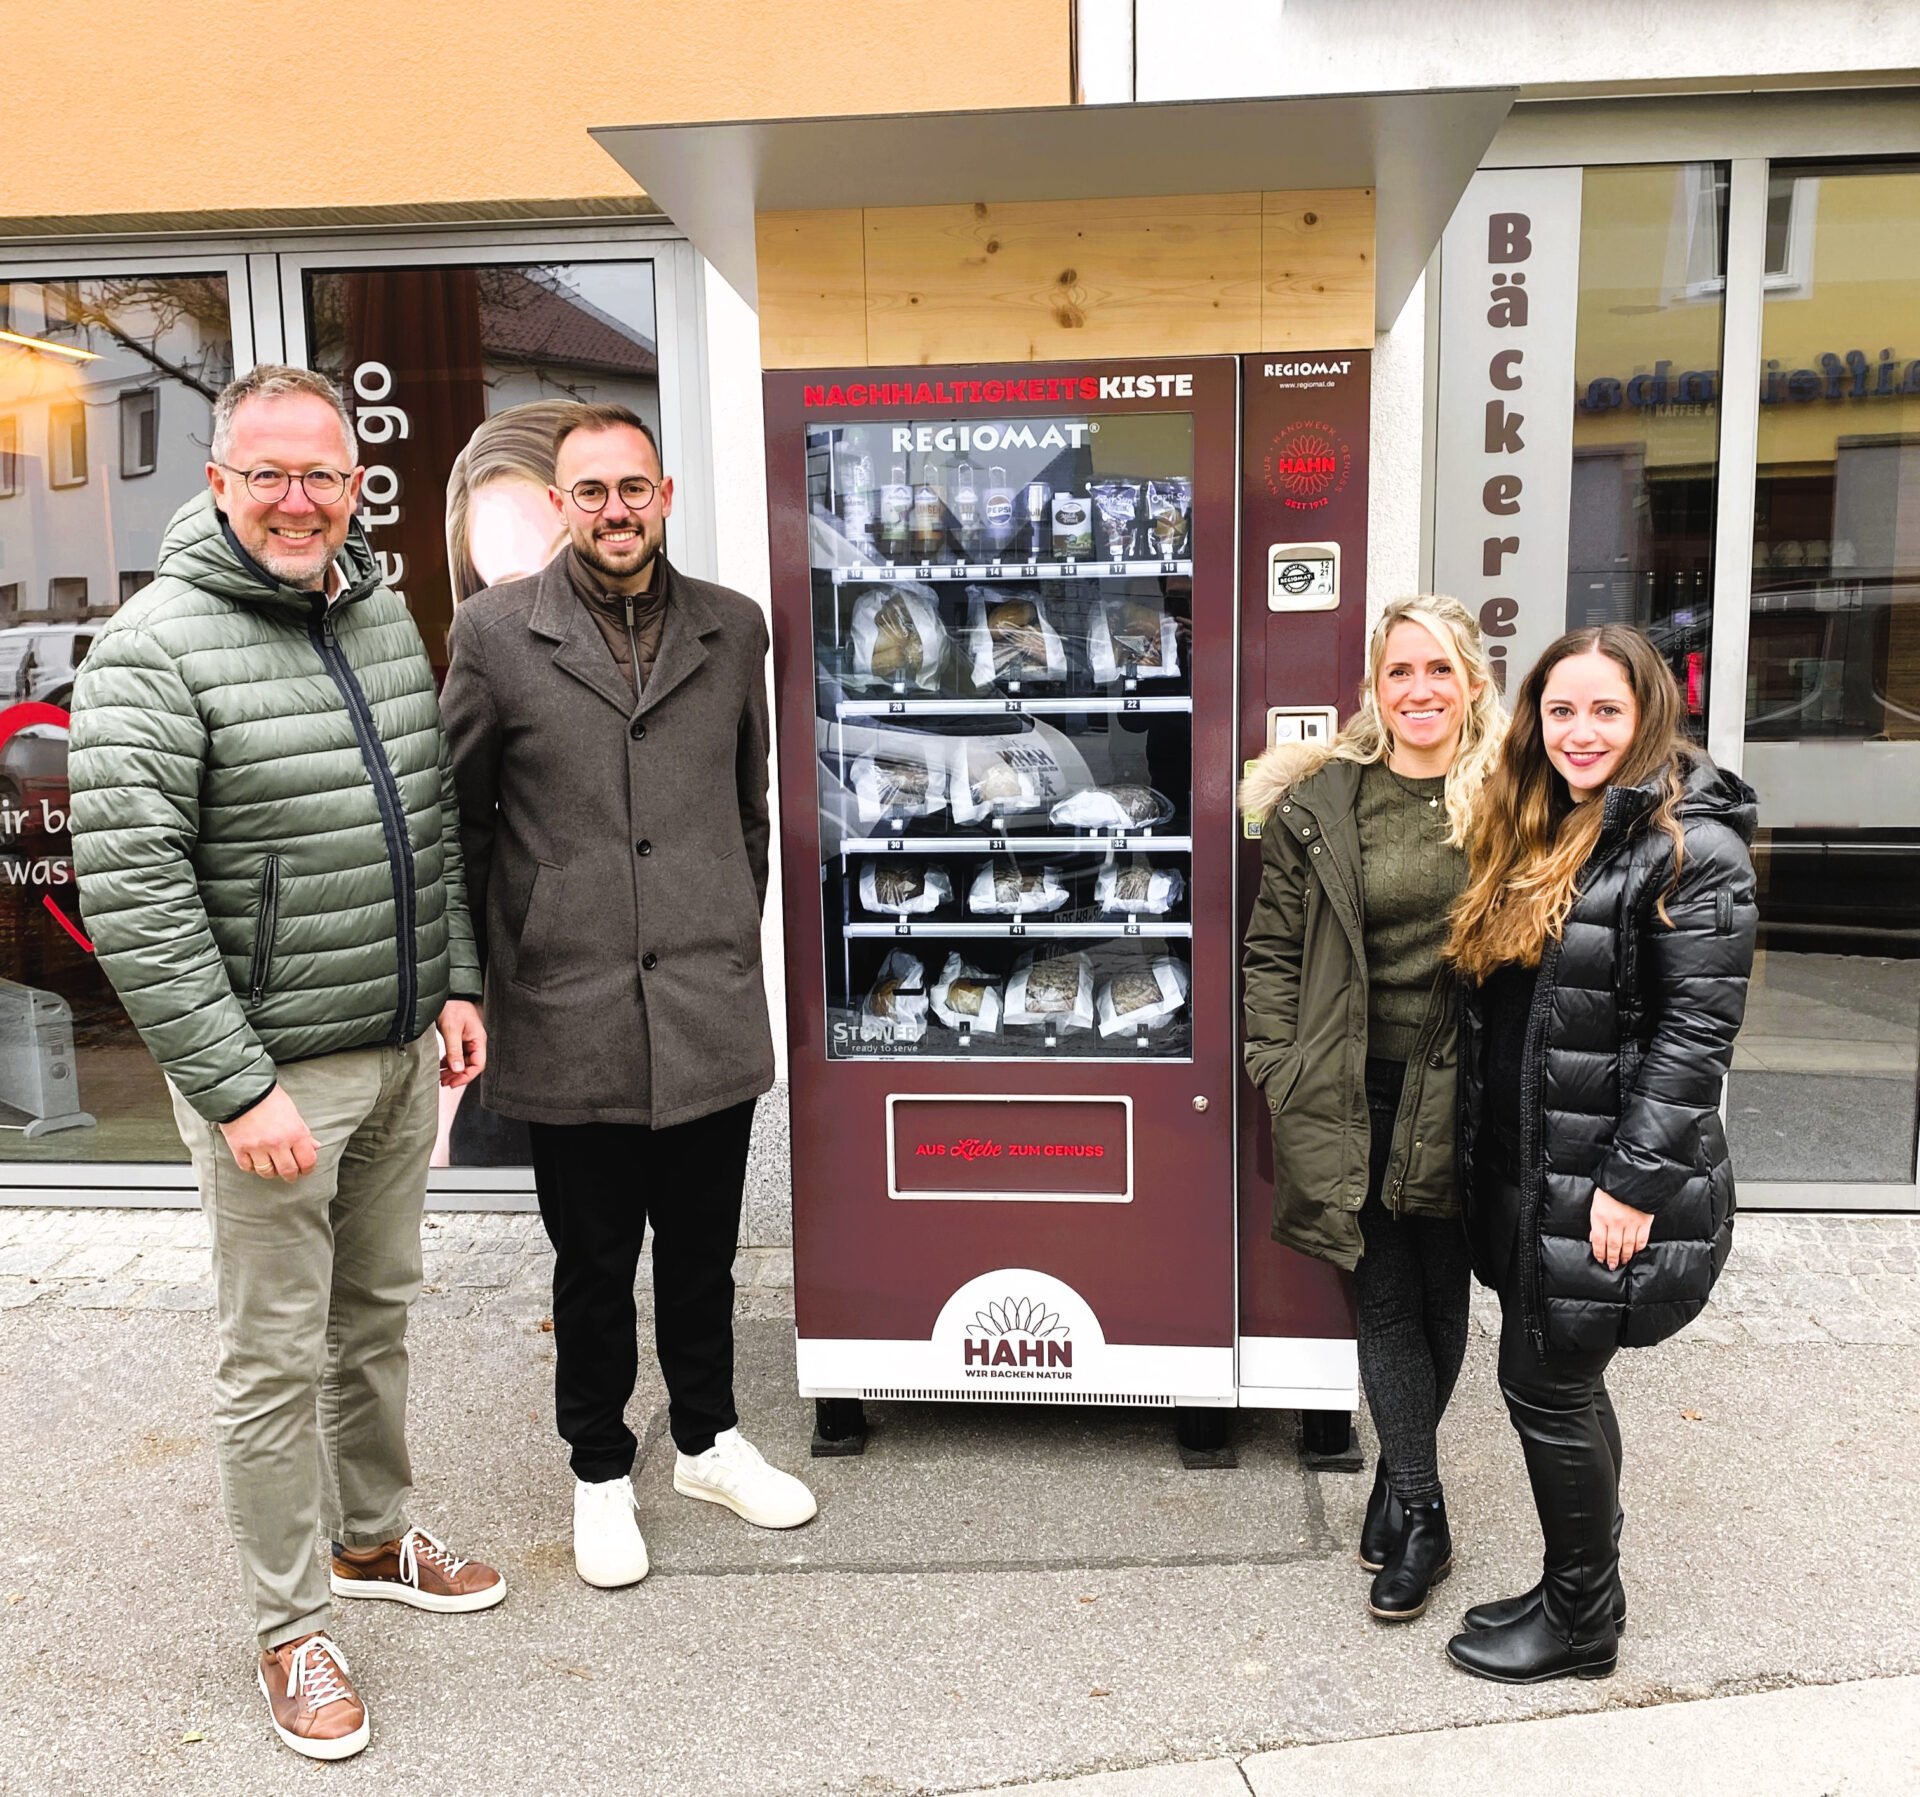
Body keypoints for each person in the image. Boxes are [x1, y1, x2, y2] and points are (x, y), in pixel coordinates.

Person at [67, 365, 504, 1763]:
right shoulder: (153, 648)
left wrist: (451, 980)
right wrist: (235, 1083)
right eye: (269, 475)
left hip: (389, 1049)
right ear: (218, 482)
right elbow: (137, 897)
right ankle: (290, 1625)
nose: (300, 499)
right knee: (270, 1360)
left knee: (374, 1314)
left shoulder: (373, 609)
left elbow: (423, 816)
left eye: (324, 473)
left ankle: (372, 1537)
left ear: (357, 480)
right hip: (273, 1075)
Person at [442, 402, 816, 1592]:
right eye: (591, 491)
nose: (616, 510)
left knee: (704, 1253)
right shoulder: (496, 634)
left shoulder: (732, 629)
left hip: (704, 998)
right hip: (569, 1001)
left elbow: (747, 809)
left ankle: (707, 1440)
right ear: (561, 505)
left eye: (635, 488)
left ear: (665, 495)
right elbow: (460, 818)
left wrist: (714, 927)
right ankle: (600, 1469)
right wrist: (482, 970)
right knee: (594, 1262)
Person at [1445, 624, 1757, 1684]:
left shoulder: (1690, 847)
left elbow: (1695, 1036)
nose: (1581, 731)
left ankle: (1583, 1621)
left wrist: (1630, 1185)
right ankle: (1582, 1589)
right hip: (1542, 1165)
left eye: (1606, 711)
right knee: (1563, 1384)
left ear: (1648, 717)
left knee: (1544, 1385)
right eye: (1562, 709)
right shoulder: (1556, 824)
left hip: (1603, 1176)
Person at [1241, 596, 1505, 1623]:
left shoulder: (1510, 799)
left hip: (1465, 1091)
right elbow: (1271, 951)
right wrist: (1280, 1066)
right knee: (1385, 1297)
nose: (1420, 691)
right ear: (1374, 688)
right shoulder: (1328, 802)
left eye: (1438, 671)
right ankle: (1425, 1514)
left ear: (1472, 682)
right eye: (1400, 673)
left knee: (1447, 1302)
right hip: (1352, 1088)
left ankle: (1397, 1479)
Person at [436, 398, 592, 1169]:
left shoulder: (717, 640)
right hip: (534, 1057)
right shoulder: (484, 682)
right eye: (506, 587)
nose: (543, 609)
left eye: (561, 559)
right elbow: (454, 842)